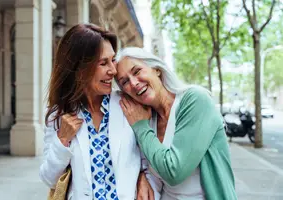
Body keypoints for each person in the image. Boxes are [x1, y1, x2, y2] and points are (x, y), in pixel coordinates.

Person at [39, 24, 154, 200]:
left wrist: (144, 176)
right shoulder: (59, 114)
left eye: (112, 60)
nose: (113, 71)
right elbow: (49, 178)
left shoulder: (128, 103)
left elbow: (147, 151)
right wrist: (62, 140)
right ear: (80, 68)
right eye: (103, 63)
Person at [115, 47, 237, 200]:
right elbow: (152, 171)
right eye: (124, 82)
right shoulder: (147, 118)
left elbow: (174, 172)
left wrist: (141, 127)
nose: (133, 83)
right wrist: (141, 176)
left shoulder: (195, 100)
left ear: (156, 69)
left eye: (137, 71)